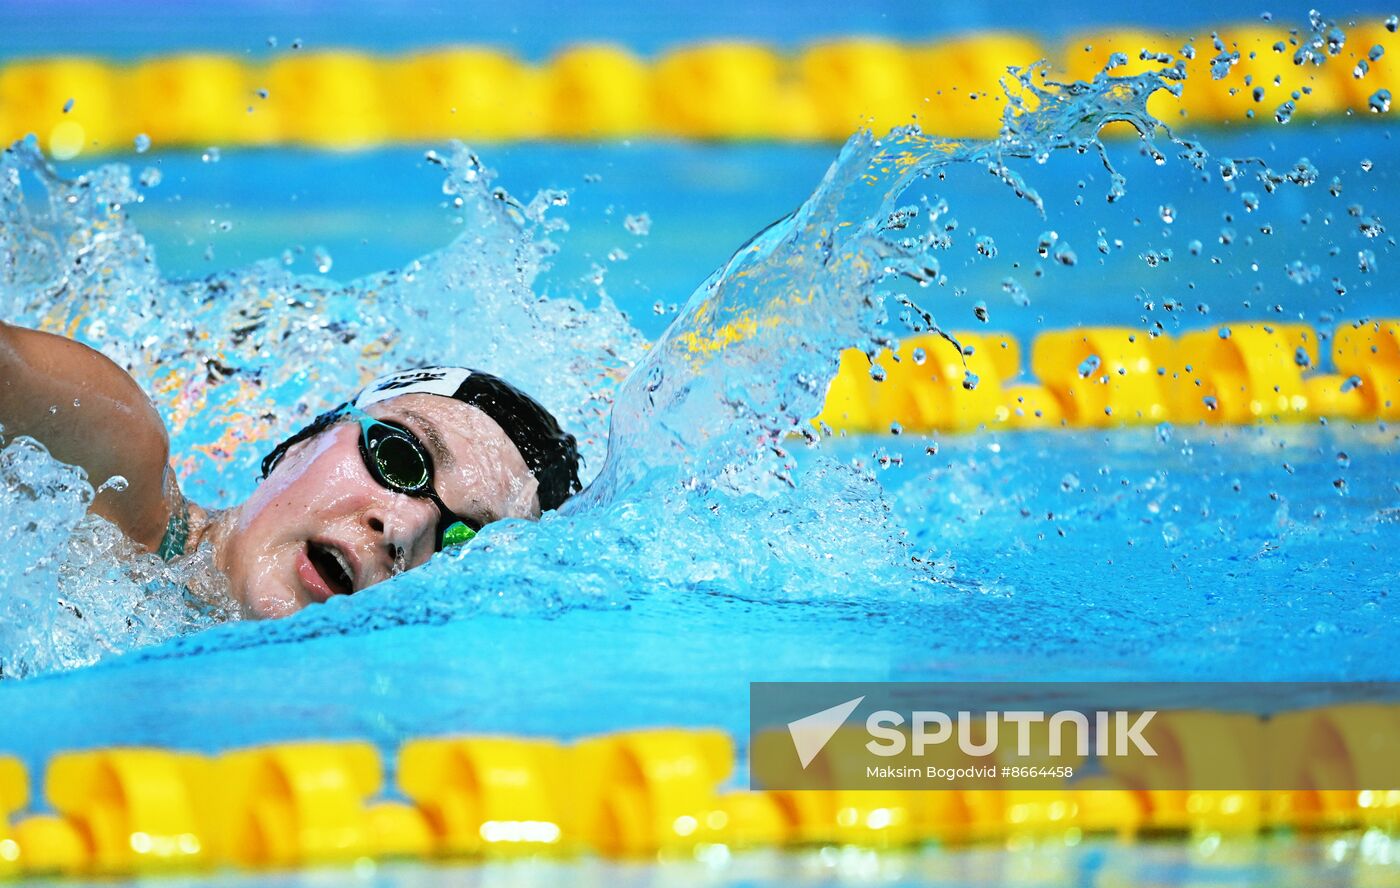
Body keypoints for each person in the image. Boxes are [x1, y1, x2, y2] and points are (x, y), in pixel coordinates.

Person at [0, 320, 580, 618]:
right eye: (401, 458)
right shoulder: (108, 468)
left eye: (459, 541)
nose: (402, 529)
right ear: (308, 438)